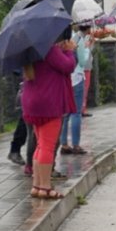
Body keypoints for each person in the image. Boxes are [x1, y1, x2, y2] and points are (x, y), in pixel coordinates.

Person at [22, 29, 78, 198]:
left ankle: (37, 185)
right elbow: (68, 66)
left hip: (33, 101)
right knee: (47, 145)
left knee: (40, 144)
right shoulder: (48, 48)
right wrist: (70, 51)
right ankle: (45, 187)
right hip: (48, 101)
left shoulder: (30, 48)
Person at [59, 28, 92, 155]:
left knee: (66, 114)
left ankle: (64, 144)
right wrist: (87, 48)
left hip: (66, 79)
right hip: (77, 78)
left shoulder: (60, 40)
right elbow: (82, 61)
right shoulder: (78, 39)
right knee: (76, 113)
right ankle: (76, 145)